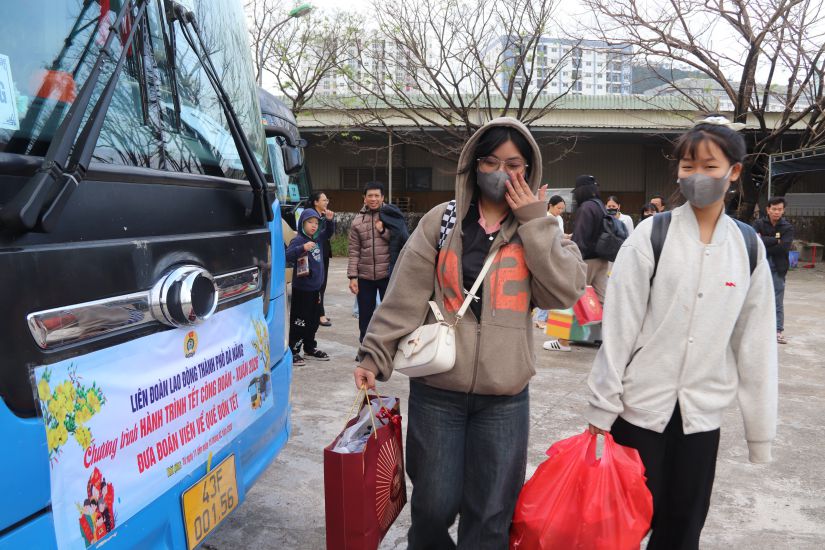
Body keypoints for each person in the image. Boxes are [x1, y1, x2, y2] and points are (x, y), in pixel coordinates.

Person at [353, 118, 587, 548]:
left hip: (505, 398)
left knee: (492, 511)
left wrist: (535, 222)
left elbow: (564, 292)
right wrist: (374, 354)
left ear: (530, 170)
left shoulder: (542, 229)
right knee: (432, 506)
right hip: (439, 390)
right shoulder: (442, 222)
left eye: (514, 164)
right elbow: (404, 295)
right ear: (474, 166)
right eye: (492, 161)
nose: (502, 172)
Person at [585, 116, 777, 549]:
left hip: (701, 418)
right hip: (638, 413)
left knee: (682, 531)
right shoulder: (653, 235)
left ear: (734, 171)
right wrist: (602, 406)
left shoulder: (747, 246)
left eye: (710, 166)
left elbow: (756, 344)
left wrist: (759, 431)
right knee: (621, 529)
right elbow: (619, 328)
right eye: (688, 166)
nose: (697, 176)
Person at [286, 208, 335, 366]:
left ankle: (309, 347)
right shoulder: (299, 240)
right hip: (302, 289)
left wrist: (328, 221)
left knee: (313, 321)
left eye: (316, 223)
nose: (314, 226)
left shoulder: (318, 238)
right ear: (302, 224)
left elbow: (328, 233)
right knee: (300, 321)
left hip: (316, 289)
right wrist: (303, 248)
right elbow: (287, 256)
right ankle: (293, 351)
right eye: (310, 222)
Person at [348, 182, 392, 342]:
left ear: (382, 197)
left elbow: (400, 240)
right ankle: (365, 347)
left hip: (387, 275)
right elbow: (354, 251)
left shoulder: (390, 216)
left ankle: (386, 346)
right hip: (365, 277)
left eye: (377, 196)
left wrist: (383, 231)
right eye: (370, 196)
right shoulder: (357, 222)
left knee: (388, 315)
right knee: (365, 315)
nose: (373, 199)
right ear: (364, 198)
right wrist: (353, 277)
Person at [753, 197, 794, 344]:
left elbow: (784, 247)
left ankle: (778, 331)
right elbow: (755, 242)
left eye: (780, 209)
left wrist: (765, 240)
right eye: (774, 209)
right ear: (768, 209)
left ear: (783, 210)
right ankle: (758, 330)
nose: (777, 212)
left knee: (777, 300)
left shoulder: (787, 227)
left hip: (778, 267)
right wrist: (775, 240)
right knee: (757, 298)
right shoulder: (758, 223)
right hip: (760, 265)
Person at [308, 192, 334, 327]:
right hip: (315, 253)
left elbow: (329, 233)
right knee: (317, 283)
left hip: (323, 252)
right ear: (315, 202)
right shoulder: (311, 216)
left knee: (322, 284)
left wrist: (328, 220)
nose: (326, 202)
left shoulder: (322, 216)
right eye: (324, 200)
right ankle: (320, 314)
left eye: (327, 199)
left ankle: (318, 311)